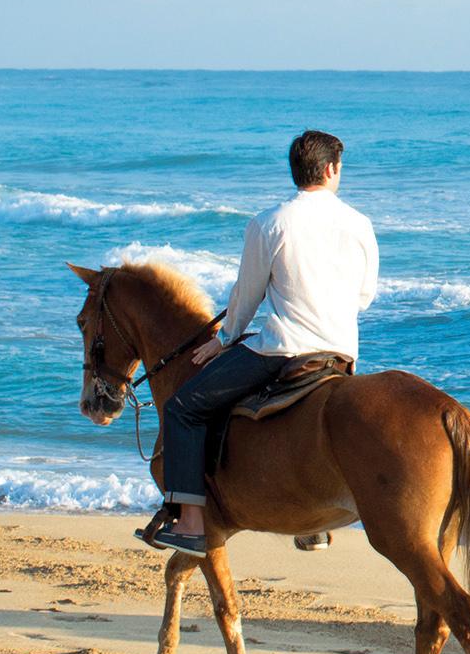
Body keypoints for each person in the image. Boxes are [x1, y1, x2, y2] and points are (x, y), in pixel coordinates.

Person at [141, 129, 380, 552]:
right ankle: (312, 521)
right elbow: (364, 296)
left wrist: (225, 338)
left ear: (298, 171)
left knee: (183, 409)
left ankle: (193, 523)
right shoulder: (360, 224)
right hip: (341, 353)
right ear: (331, 169)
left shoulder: (269, 223)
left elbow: (248, 295)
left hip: (283, 349)